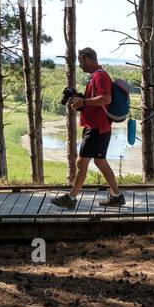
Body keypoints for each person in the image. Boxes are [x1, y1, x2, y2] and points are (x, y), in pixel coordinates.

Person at [51, 48, 124, 209]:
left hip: (97, 127)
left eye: (81, 61)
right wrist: (81, 97)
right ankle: (117, 196)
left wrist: (84, 102)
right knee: (99, 161)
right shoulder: (96, 76)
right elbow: (95, 100)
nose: (80, 66)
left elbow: (106, 98)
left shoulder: (99, 76)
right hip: (97, 126)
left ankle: (71, 198)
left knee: (81, 162)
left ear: (87, 59)